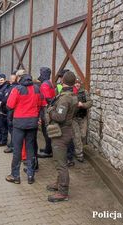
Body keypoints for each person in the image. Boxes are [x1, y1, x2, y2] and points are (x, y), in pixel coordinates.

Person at [46, 71, 78, 202]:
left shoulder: (65, 98)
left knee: (61, 164)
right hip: (67, 130)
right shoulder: (72, 95)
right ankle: (58, 183)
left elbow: (59, 117)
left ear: (63, 81)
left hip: (61, 133)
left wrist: (50, 110)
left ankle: (63, 192)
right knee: (60, 160)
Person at [5, 73, 43, 184]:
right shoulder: (36, 88)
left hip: (19, 123)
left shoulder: (17, 89)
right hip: (32, 123)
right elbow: (40, 104)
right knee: (30, 149)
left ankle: (15, 176)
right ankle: (31, 175)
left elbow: (9, 106)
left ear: (20, 79)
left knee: (17, 149)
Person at [37, 67, 56, 158]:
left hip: (45, 110)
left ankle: (48, 151)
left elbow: (48, 99)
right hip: (49, 109)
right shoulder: (49, 82)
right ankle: (48, 148)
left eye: (41, 73)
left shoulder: (44, 84)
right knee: (46, 130)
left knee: (46, 131)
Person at [0, 74, 11, 146]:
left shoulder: (7, 87)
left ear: (5, 80)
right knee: (2, 126)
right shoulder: (0, 87)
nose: (0, 82)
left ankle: (5, 141)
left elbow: (5, 99)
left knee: (6, 127)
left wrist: (1, 103)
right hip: (1, 110)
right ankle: (3, 140)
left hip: (5, 110)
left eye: (1, 80)